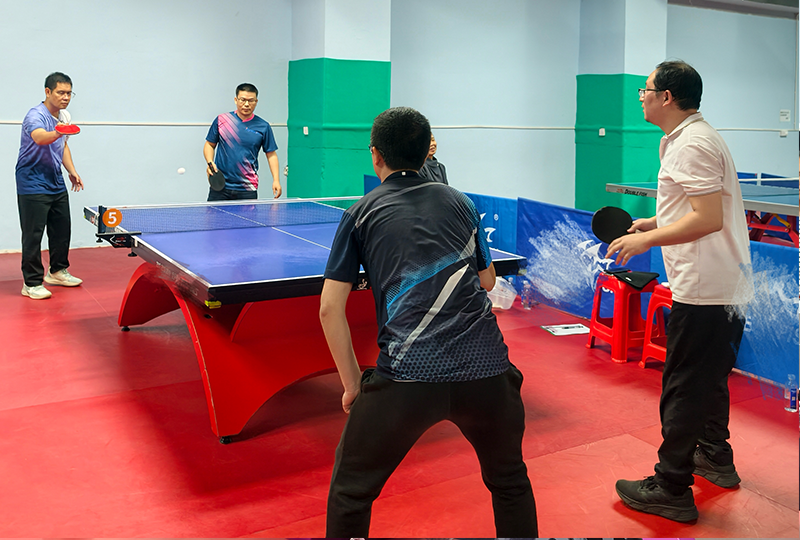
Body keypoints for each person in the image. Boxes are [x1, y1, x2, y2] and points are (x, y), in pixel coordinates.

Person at [320, 107, 537, 537]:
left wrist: (352, 385)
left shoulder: (360, 212)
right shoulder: (462, 203)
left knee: (351, 492)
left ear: (375, 155)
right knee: (510, 482)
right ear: (426, 154)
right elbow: (487, 280)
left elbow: (330, 308)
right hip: (488, 372)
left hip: (407, 376)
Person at [608, 61, 752, 522]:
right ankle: (715, 456)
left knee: (684, 386)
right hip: (720, 284)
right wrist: (655, 221)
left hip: (707, 288)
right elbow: (696, 205)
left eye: (645, 89)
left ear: (666, 97)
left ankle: (671, 486)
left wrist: (648, 240)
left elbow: (708, 218)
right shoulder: (683, 138)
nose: (641, 96)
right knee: (706, 379)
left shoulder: (692, 143)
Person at [15, 72, 85, 300]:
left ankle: (57, 271)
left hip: (55, 180)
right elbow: (40, 138)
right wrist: (58, 130)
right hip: (32, 181)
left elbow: (62, 145)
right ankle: (31, 283)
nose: (66, 97)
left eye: (69, 93)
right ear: (48, 92)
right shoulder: (35, 115)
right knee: (33, 235)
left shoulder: (64, 116)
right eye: (61, 93)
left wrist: (72, 171)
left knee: (61, 229)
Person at [203, 83, 281, 201]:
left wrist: (276, 180)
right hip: (220, 186)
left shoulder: (263, 126)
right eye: (243, 100)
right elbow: (209, 144)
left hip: (247, 188)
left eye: (251, 100)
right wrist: (210, 162)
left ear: (256, 101)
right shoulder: (222, 120)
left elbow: (271, 154)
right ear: (236, 100)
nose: (246, 104)